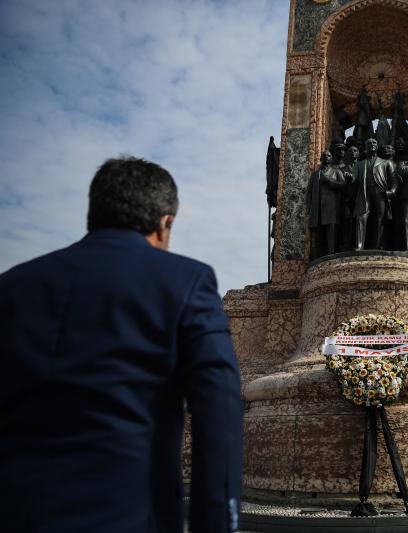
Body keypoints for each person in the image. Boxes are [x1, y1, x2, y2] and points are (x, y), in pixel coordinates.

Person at [0, 157, 243, 533]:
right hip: (129, 515)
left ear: (94, 214)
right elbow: (218, 408)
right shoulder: (187, 281)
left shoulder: (12, 285)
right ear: (165, 224)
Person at [352, 137, 397, 250]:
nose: (372, 144)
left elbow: (394, 180)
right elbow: (354, 179)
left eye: (374, 143)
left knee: (380, 219)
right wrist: (349, 178)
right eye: (369, 143)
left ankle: (378, 246)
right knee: (361, 218)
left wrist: (392, 191)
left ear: (377, 147)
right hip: (364, 193)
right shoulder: (359, 164)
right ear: (366, 147)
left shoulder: (386, 162)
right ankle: (359, 245)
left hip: (380, 193)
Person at [307, 150, 346, 257]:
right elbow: (309, 192)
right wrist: (309, 208)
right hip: (318, 207)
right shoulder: (315, 175)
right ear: (320, 159)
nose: (326, 157)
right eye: (324, 156)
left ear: (332, 159)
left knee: (331, 232)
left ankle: (331, 253)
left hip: (331, 207)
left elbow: (342, 184)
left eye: (329, 156)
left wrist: (328, 181)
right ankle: (319, 255)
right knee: (319, 234)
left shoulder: (336, 171)